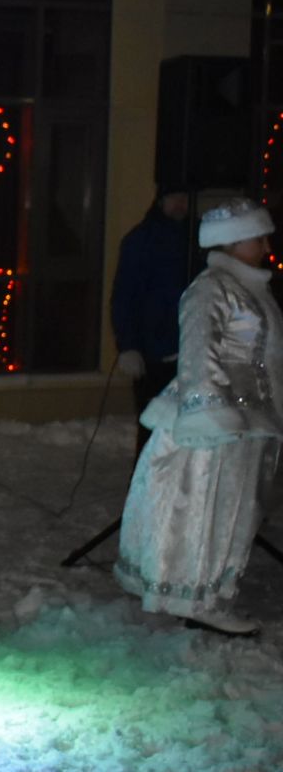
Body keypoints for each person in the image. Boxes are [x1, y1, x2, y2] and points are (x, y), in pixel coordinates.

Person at [115, 197, 283, 638]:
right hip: (216, 423)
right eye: (257, 237)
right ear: (231, 241)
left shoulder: (249, 288)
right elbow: (197, 352)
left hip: (249, 419)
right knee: (205, 508)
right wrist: (211, 414)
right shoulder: (212, 288)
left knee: (234, 509)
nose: (266, 245)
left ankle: (209, 592)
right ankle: (199, 598)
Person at [111, 188, 192, 453]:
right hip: (152, 353)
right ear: (160, 201)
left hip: (187, 349)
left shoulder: (192, 240)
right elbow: (124, 295)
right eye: (174, 198)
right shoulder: (141, 240)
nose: (180, 204)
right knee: (152, 427)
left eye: (184, 199)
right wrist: (128, 346)